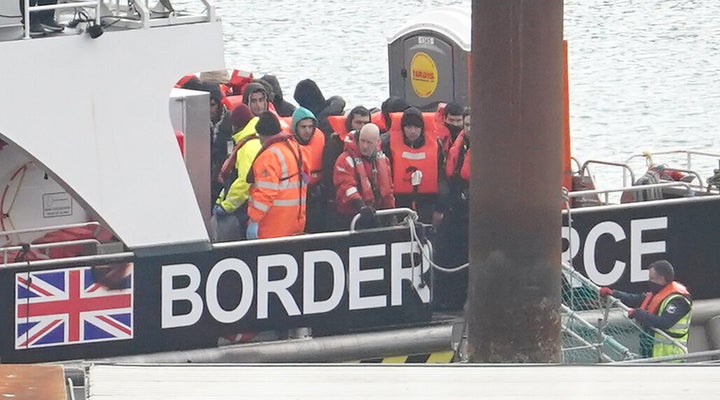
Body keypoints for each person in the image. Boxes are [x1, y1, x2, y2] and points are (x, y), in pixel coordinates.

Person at [599, 259, 692, 359]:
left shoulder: (678, 301)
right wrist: (614, 293)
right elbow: (635, 299)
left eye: (651, 278)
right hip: (650, 352)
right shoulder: (657, 294)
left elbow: (665, 322)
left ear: (661, 279)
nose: (649, 281)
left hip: (670, 358)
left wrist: (640, 314)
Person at [246, 112, 308, 239]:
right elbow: (306, 177)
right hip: (295, 223)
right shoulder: (294, 147)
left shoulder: (268, 156)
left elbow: (266, 193)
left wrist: (253, 220)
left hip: (273, 227)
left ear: (263, 135)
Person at [381, 107, 447, 225]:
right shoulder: (387, 144)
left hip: (426, 200)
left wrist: (440, 207)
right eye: (408, 127)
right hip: (399, 201)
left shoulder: (436, 145)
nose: (413, 131)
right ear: (402, 128)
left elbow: (441, 177)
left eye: (417, 127)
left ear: (422, 128)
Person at [433, 109, 471, 310]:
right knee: (447, 252)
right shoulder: (457, 146)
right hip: (456, 207)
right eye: (467, 126)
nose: (468, 129)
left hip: (474, 210)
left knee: (468, 256)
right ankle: (448, 299)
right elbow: (446, 174)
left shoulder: (490, 149)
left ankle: (464, 297)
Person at [212, 104, 261, 241]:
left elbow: (244, 182)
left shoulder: (248, 147)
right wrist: (220, 199)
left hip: (246, 209)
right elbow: (232, 179)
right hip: (246, 206)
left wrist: (226, 206)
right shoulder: (250, 140)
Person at [333, 123, 394, 230]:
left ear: (377, 142)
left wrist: (391, 214)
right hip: (352, 216)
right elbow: (346, 187)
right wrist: (361, 206)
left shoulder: (383, 160)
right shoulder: (345, 160)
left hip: (377, 215)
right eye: (362, 141)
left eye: (369, 142)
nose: (365, 146)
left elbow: (388, 189)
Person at [321, 106, 372, 229]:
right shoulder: (335, 144)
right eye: (358, 123)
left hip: (368, 205)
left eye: (366, 123)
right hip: (341, 204)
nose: (362, 127)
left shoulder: (374, 147)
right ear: (350, 123)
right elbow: (329, 176)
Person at [290, 107, 325, 233]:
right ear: (295, 128)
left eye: (310, 127)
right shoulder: (287, 147)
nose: (307, 131)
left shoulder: (320, 140)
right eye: (303, 127)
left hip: (315, 192)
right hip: (295, 196)